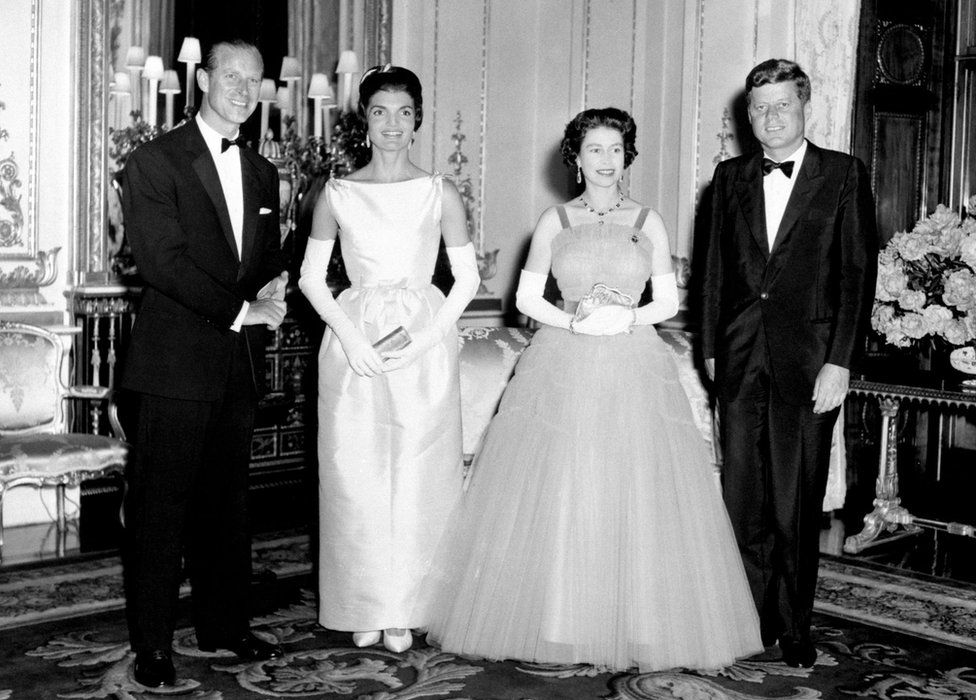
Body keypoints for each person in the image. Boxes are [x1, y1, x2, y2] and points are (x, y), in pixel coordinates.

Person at [421, 107, 763, 672]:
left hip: (634, 366)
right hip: (565, 363)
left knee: (635, 484)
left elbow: (668, 302)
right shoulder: (554, 220)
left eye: (615, 149)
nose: (606, 161)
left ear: (627, 155)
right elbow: (528, 299)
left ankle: (638, 620)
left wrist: (623, 320)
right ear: (575, 160)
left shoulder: (647, 220)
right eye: (594, 150)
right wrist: (575, 320)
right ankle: (563, 620)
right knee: (568, 484)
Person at [119, 40, 288, 688]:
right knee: (161, 510)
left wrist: (274, 288)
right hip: (173, 365)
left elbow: (266, 257)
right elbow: (163, 263)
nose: (244, 89)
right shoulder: (155, 160)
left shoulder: (264, 172)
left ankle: (224, 624)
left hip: (236, 366)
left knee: (227, 506)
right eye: (231, 76)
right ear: (204, 80)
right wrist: (242, 310)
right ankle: (154, 647)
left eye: (254, 79)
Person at [701, 59, 878, 668]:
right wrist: (710, 350)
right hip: (740, 358)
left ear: (806, 109)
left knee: (795, 500)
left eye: (783, 106)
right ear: (746, 116)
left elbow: (858, 275)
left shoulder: (844, 175)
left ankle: (795, 622)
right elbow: (713, 274)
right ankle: (751, 618)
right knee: (742, 495)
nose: (771, 118)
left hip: (812, 364)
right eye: (759, 108)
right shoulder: (729, 177)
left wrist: (841, 362)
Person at [298, 64, 479, 654]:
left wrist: (424, 339)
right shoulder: (337, 192)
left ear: (418, 119)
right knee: (356, 475)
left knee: (420, 475)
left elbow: (467, 279)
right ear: (365, 120)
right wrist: (352, 340)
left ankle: (407, 606)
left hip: (421, 341)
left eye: (404, 112)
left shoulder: (439, 191)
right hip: (354, 342)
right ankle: (365, 603)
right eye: (380, 111)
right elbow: (310, 279)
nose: (392, 124)